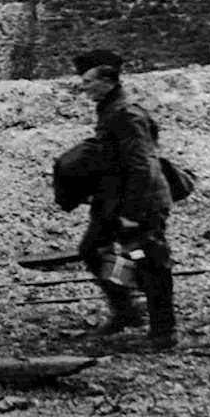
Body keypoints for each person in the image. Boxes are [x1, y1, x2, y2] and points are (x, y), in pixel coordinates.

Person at [60, 49, 176, 349]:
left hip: (141, 202)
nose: (82, 86)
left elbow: (143, 167)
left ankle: (163, 332)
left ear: (107, 81)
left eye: (88, 81)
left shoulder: (127, 114)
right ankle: (126, 311)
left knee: (148, 260)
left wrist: (133, 213)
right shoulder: (109, 109)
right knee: (94, 249)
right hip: (114, 200)